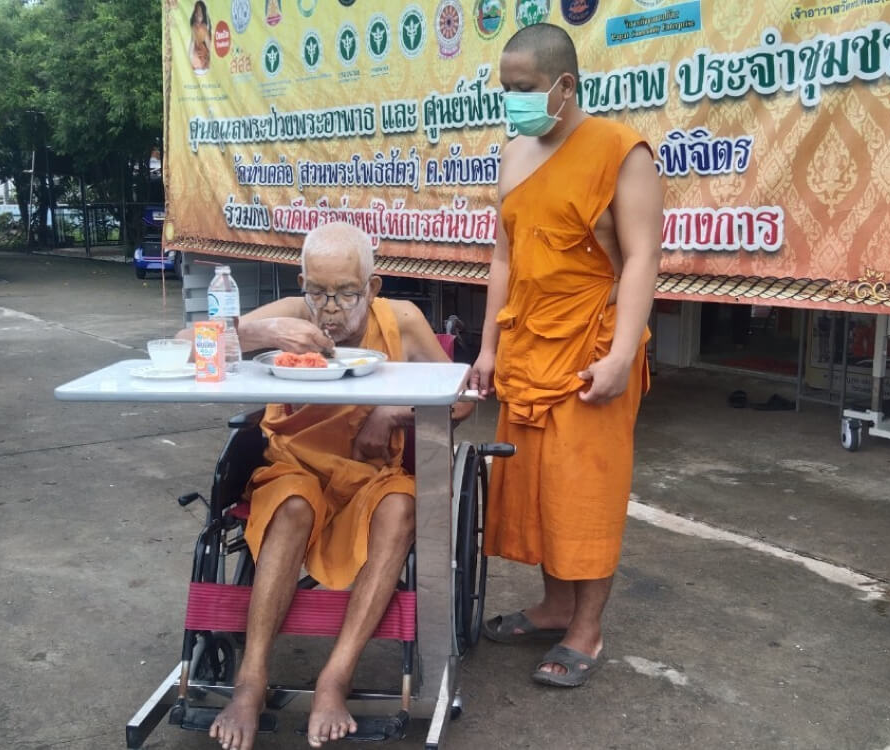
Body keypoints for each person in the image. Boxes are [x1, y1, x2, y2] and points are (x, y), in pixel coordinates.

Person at [203, 222, 472, 750]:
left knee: (402, 505)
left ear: (371, 288)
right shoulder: (290, 314)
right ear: (302, 282)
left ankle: (336, 677)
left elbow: (461, 400)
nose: (329, 309)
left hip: (371, 476)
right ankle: (251, 680)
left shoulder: (402, 320)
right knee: (293, 504)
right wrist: (263, 334)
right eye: (317, 291)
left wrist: (394, 412)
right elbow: (196, 342)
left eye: (346, 293)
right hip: (295, 468)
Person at [468, 24, 663, 688]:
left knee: (586, 493)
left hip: (591, 349)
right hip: (527, 346)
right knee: (537, 490)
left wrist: (619, 354)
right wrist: (489, 347)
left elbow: (641, 259)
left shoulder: (620, 151)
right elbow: (504, 257)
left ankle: (587, 629)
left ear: (564, 86)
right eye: (506, 90)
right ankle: (554, 605)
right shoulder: (515, 153)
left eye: (523, 89)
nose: (513, 102)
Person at [189, 1, 211, 71]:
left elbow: (209, 46)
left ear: (203, 14)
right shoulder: (193, 27)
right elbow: (192, 43)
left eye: (200, 13)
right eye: (196, 12)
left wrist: (208, 58)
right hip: (195, 57)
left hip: (203, 57)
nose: (198, 15)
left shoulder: (204, 28)